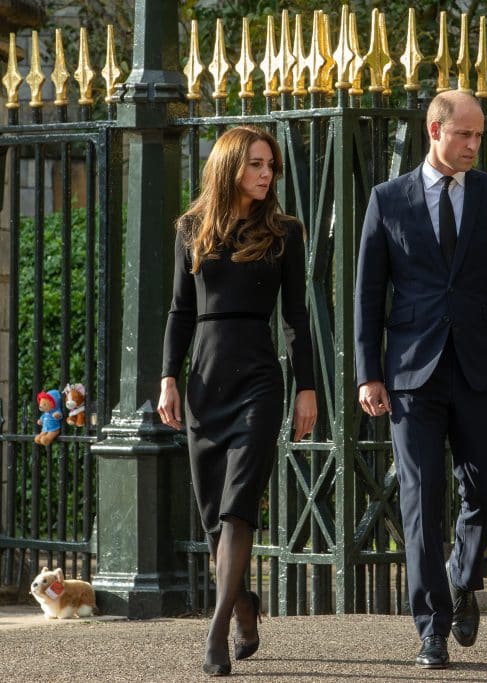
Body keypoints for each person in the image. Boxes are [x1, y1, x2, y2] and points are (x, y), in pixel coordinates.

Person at [354, 91, 487, 669]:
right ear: (434, 130)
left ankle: (462, 576)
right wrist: (368, 373)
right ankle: (430, 626)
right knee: (420, 496)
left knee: (485, 489)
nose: (474, 146)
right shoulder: (388, 199)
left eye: (479, 136)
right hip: (412, 373)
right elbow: (366, 294)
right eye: (465, 135)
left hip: (482, 367)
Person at [158, 126, 317, 676]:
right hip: (204, 380)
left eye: (269, 164)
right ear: (229, 167)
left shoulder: (284, 232)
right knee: (211, 516)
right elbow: (180, 311)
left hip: (258, 382)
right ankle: (245, 604)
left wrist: (307, 388)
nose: (266, 173)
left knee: (238, 505)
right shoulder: (190, 229)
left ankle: (218, 628)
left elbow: (297, 319)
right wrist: (167, 378)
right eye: (255, 163)